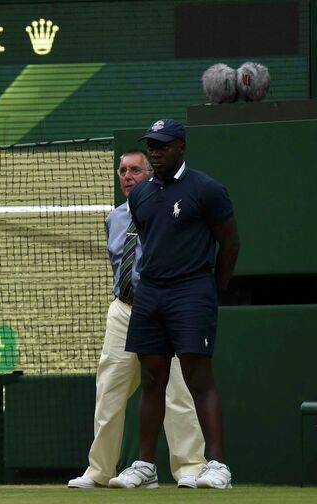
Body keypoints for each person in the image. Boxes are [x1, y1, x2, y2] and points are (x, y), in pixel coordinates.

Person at [109, 119, 240, 489]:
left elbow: (230, 245)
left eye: (163, 145)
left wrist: (213, 289)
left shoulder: (207, 189)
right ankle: (145, 467)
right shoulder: (140, 195)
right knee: (152, 380)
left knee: (199, 379)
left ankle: (217, 466)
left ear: (181, 146)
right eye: (151, 144)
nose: (155, 151)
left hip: (192, 291)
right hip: (149, 294)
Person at [67, 150, 206, 490]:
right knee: (110, 389)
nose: (127, 176)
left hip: (165, 309)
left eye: (135, 170)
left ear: (149, 175)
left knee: (177, 391)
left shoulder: (167, 211)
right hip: (124, 308)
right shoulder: (113, 218)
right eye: (123, 170)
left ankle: (190, 468)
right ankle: (99, 471)